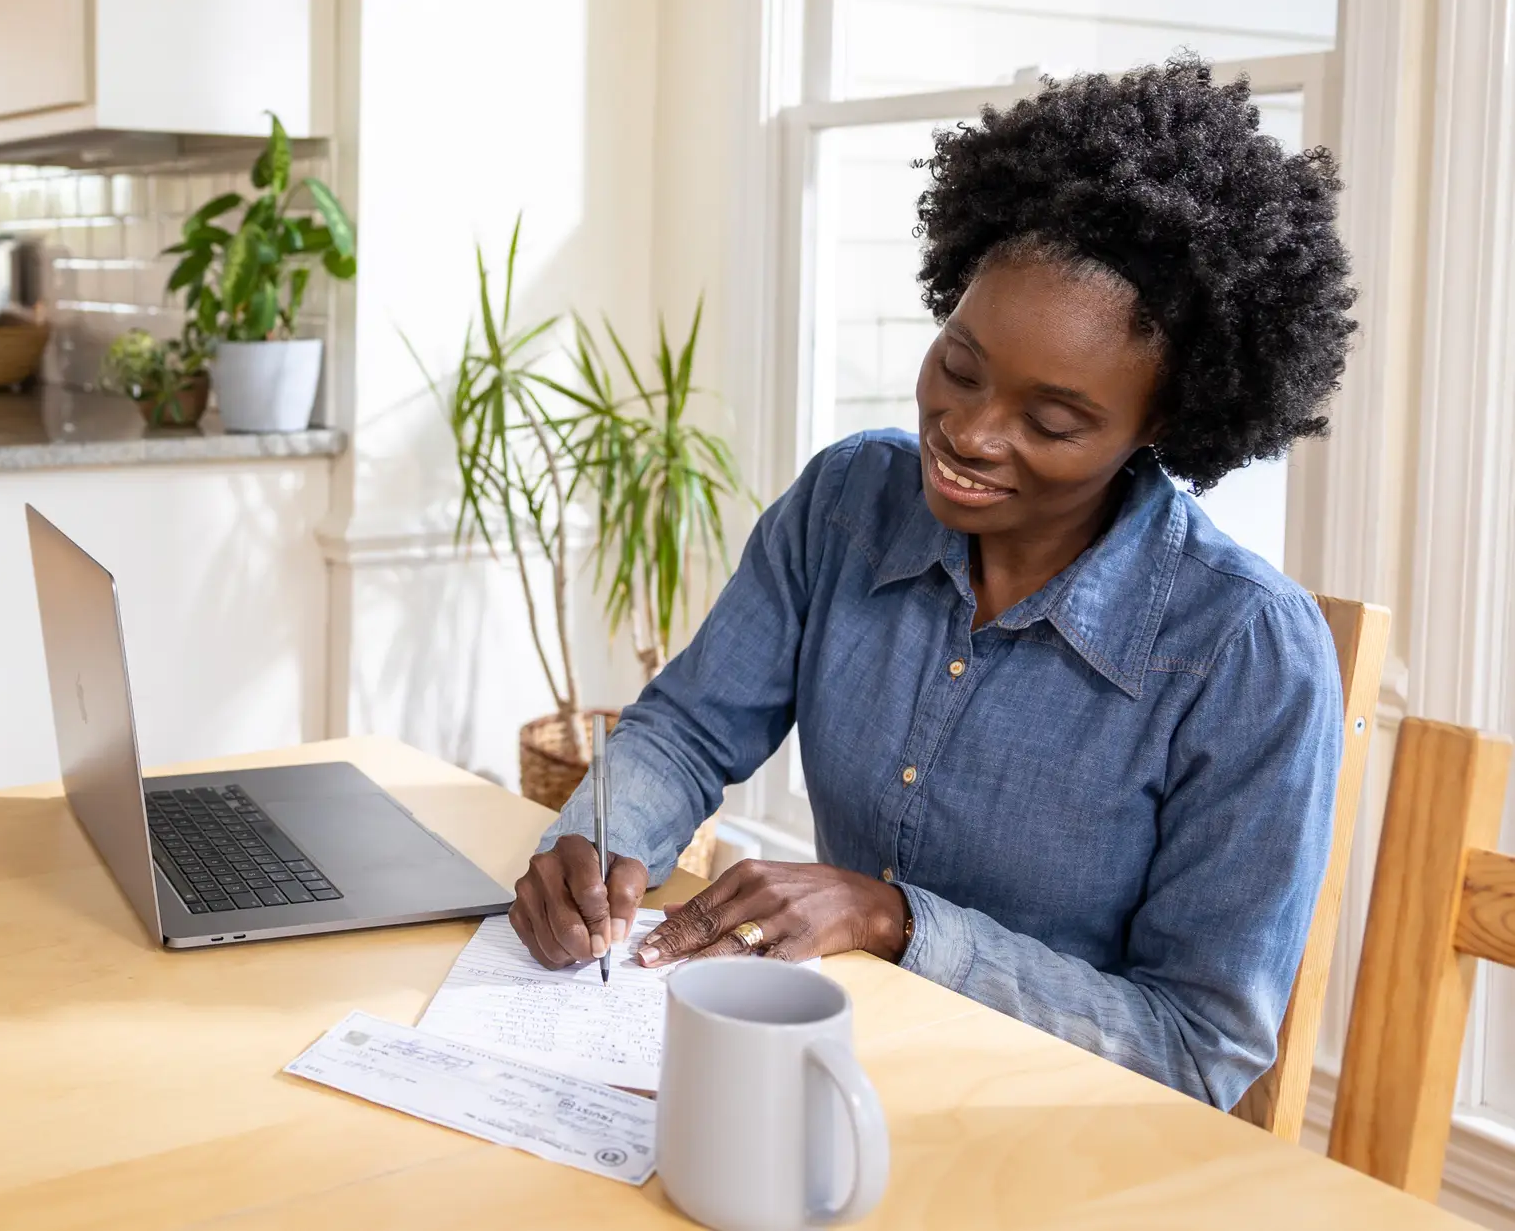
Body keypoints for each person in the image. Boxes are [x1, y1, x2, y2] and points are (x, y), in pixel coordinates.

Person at [513, 58, 1357, 1108]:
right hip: (827, 1079)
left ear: (1164, 427)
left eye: (1051, 422)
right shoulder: (847, 502)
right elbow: (688, 729)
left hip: (1045, 1133)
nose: (966, 431)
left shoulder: (1244, 652)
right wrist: (594, 846)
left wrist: (896, 917)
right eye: (958, 365)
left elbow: (1196, 1048)